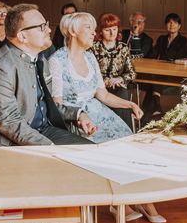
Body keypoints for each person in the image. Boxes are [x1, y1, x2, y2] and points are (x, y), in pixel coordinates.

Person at [0, 3, 97, 223]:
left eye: (47, 24)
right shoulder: (0, 66)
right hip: (2, 139)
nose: (48, 30)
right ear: (22, 35)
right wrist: (47, 147)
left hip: (39, 128)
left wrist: (77, 113)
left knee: (89, 152)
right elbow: (8, 122)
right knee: (51, 159)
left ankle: (51, 216)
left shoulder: (37, 58)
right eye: (41, 26)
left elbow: (47, 104)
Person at [48, 12, 142, 144]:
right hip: (76, 119)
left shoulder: (90, 57)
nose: (93, 33)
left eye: (94, 29)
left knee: (125, 140)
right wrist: (79, 116)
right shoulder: (57, 60)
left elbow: (103, 95)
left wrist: (130, 104)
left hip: (99, 113)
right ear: (72, 31)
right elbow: (57, 104)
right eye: (88, 28)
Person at [90, 13, 137, 129]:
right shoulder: (93, 47)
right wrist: (106, 81)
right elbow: (90, 72)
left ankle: (125, 131)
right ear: (101, 31)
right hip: (99, 87)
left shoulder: (123, 48)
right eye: (107, 30)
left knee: (122, 93)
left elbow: (132, 73)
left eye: (114, 29)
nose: (112, 33)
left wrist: (120, 78)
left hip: (119, 85)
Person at [142, 13, 187, 118]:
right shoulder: (161, 39)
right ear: (165, 25)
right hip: (161, 71)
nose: (171, 25)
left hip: (175, 73)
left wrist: (164, 59)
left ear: (179, 26)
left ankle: (147, 111)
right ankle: (154, 108)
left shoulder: (184, 41)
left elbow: (179, 56)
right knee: (152, 79)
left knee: (152, 82)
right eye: (169, 22)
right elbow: (154, 54)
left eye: (174, 23)